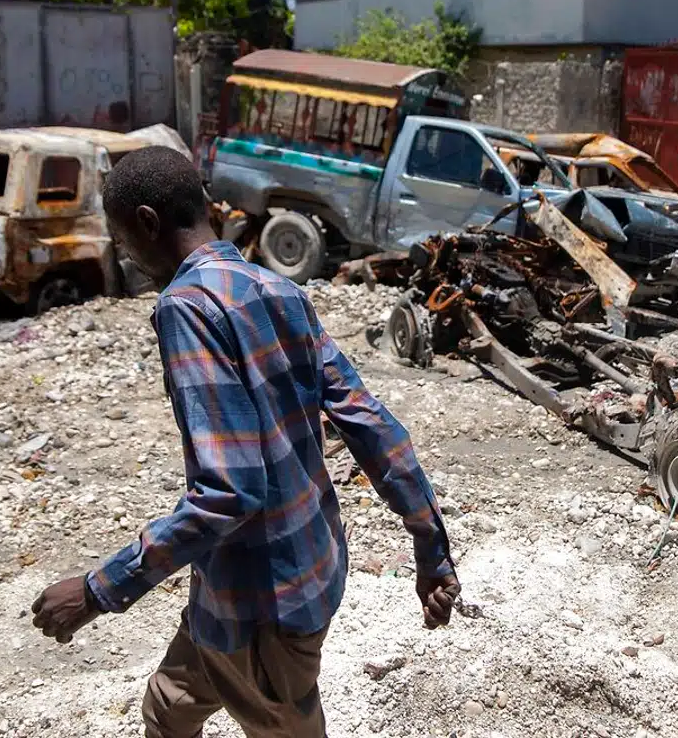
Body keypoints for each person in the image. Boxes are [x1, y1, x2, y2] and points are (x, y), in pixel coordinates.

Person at [31, 146, 460, 738]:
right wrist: (430, 547)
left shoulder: (186, 308)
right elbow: (372, 424)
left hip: (263, 607)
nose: (125, 253)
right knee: (168, 707)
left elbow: (229, 492)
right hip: (268, 577)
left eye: (123, 237)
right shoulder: (276, 288)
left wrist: (98, 589)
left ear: (149, 223)